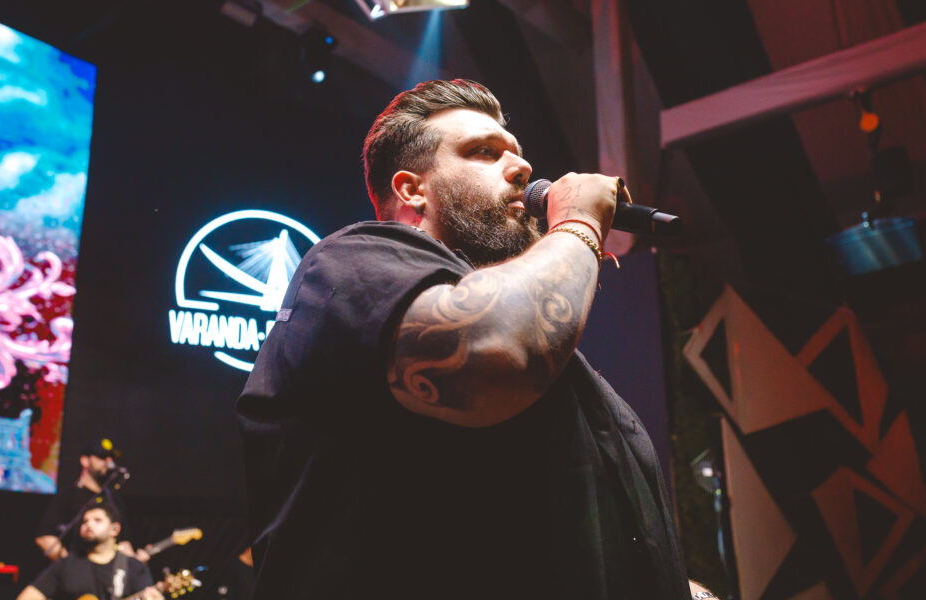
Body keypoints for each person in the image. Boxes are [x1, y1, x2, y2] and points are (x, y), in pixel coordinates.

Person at [238, 79, 711, 599]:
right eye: (484, 152)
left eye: (517, 152)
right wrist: (578, 224)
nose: (522, 167)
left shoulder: (571, 378)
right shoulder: (351, 263)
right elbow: (496, 351)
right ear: (411, 190)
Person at [18, 503, 163, 600]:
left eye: (97, 520)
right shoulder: (66, 565)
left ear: (115, 529)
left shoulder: (134, 568)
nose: (88, 525)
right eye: (85, 521)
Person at [36, 440, 146, 562]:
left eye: (111, 458)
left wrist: (135, 565)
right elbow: (45, 537)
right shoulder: (68, 495)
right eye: (102, 457)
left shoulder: (114, 499)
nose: (108, 462)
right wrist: (70, 567)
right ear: (85, 460)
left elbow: (123, 541)